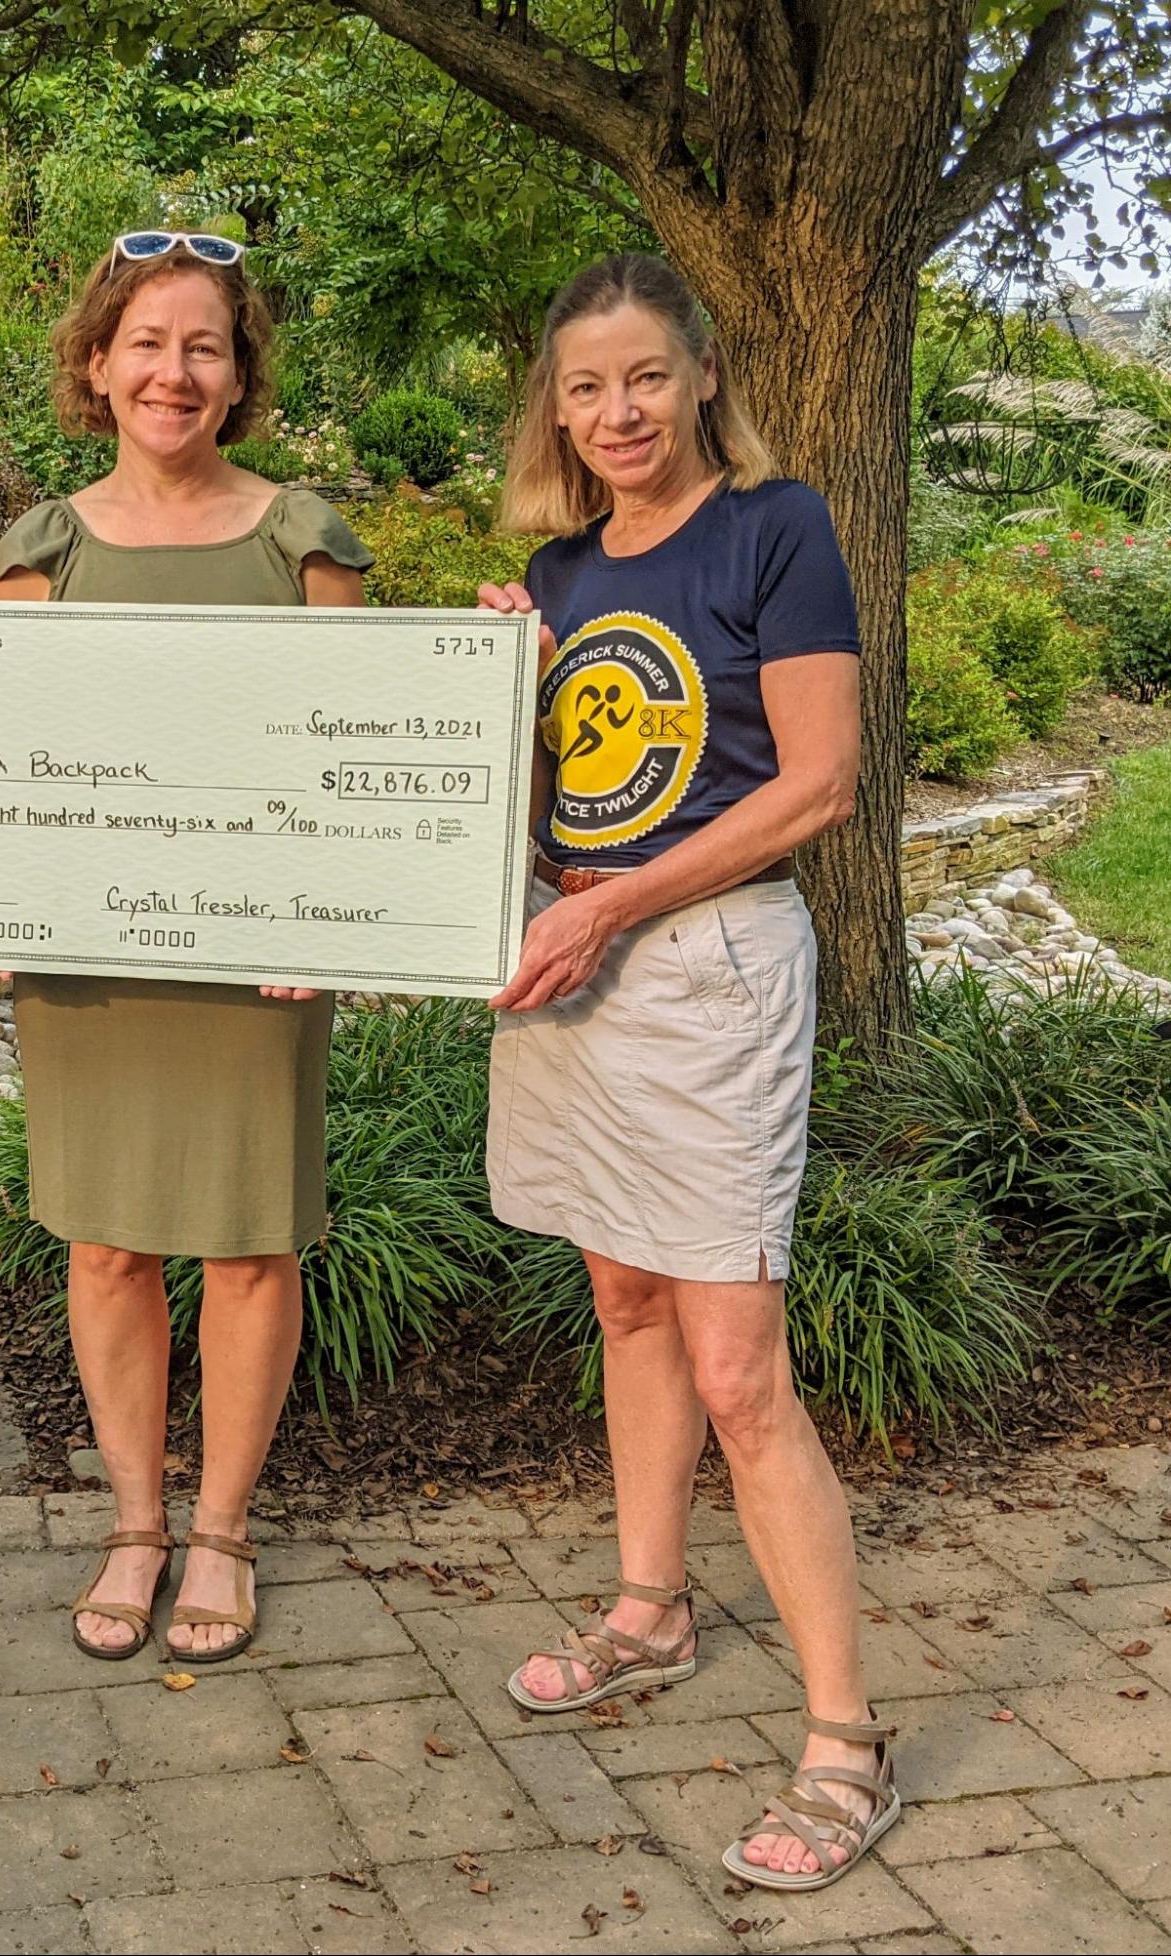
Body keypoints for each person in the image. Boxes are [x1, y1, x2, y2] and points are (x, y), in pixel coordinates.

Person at [479, 252, 893, 1891]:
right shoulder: (563, 570)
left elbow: (820, 787)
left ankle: (846, 1740)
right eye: (585, 389)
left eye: (644, 378)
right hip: (576, 967)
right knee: (626, 1306)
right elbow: (541, 808)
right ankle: (651, 1608)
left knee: (739, 1369)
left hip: (707, 969)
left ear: (703, 373)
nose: (616, 412)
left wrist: (616, 912)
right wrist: (480, 694)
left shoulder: (777, 529)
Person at [0, 232, 372, 1664]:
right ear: (96, 364)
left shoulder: (301, 540)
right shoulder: (43, 551)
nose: (173, 371)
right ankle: (135, 1524)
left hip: (255, 964)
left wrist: (327, 914)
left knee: (255, 1247)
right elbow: (1, 768)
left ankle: (224, 1532)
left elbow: (351, 762)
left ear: (239, 373)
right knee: (106, 1244)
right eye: (145, 343)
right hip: (94, 969)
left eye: (203, 346)